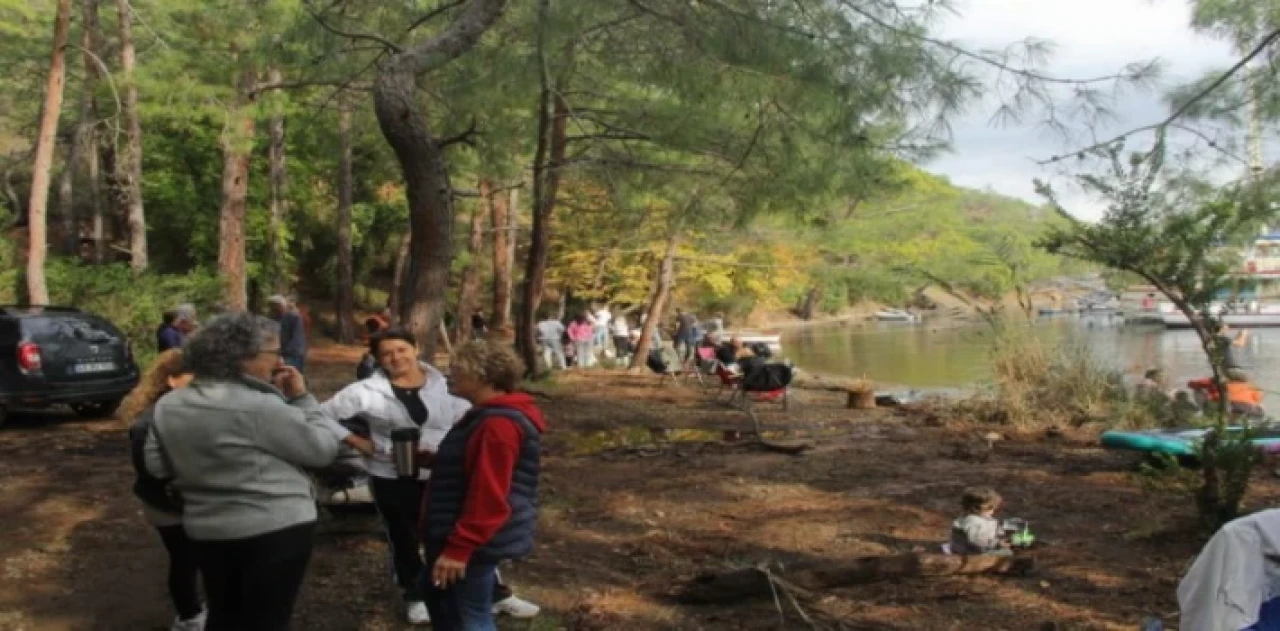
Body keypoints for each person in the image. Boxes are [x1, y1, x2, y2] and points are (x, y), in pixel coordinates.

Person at [319, 329, 538, 625]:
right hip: (396, 474)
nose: (396, 357)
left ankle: (493, 594)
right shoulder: (365, 391)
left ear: (416, 349)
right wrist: (359, 442)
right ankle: (417, 594)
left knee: (467, 575)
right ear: (377, 359)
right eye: (386, 353)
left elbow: (487, 492)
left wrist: (458, 551)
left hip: (450, 485)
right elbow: (322, 415)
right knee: (407, 537)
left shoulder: (473, 407)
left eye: (401, 349)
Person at [144, 313, 339, 630]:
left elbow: (157, 466)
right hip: (275, 529)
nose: (279, 362)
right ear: (244, 358)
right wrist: (302, 398)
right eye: (274, 354)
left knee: (224, 614)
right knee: (268, 619)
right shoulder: (260, 406)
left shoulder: (168, 405)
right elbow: (323, 450)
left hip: (206, 529)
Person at [420, 340, 546, 631]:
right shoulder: (486, 417)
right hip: (465, 536)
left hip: (471, 540)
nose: (449, 374)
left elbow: (489, 494)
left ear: (484, 375)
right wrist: (440, 462)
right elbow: (477, 468)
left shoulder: (497, 425)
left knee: (467, 617)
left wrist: (459, 549)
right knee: (442, 599)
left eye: (457, 369)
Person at [123, 350, 203, 631]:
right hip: (165, 506)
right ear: (171, 380)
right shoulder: (148, 422)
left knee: (198, 557)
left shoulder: (190, 410)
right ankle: (189, 617)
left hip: (188, 502)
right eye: (193, 379)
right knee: (184, 559)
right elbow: (150, 471)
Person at [949, 487, 1011, 556]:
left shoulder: (981, 518)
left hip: (981, 548)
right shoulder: (972, 521)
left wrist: (1001, 534)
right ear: (976, 508)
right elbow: (976, 540)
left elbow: (990, 528)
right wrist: (997, 543)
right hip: (971, 553)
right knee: (1007, 553)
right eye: (990, 508)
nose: (993, 511)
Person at [267, 295, 308, 373]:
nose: (272, 310)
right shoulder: (272, 319)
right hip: (280, 353)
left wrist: (282, 354)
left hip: (293, 353)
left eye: (274, 307)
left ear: (281, 306)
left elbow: (297, 339)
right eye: (271, 307)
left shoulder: (294, 318)